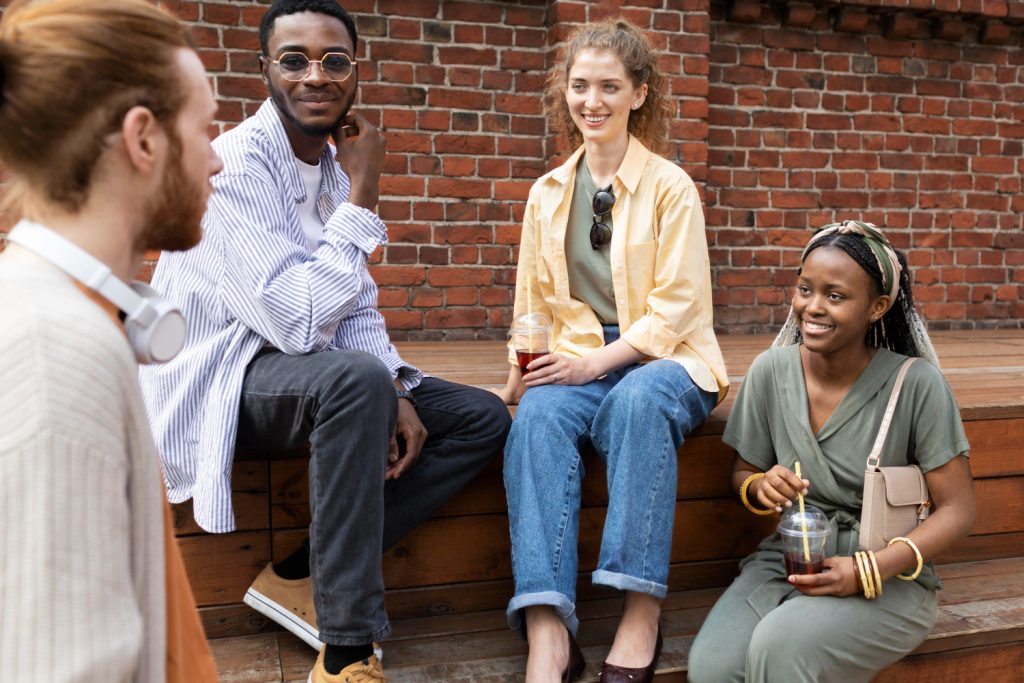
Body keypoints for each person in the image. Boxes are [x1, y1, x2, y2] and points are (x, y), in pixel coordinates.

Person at [137, 0, 510, 680]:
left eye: (334, 60)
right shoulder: (238, 170)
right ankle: (346, 648)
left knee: (478, 416)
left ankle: (301, 570)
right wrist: (365, 191)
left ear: (355, 72)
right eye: (295, 60)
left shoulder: (334, 170)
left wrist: (394, 387)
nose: (316, 76)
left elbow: (356, 307)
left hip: (303, 372)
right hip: (219, 376)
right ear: (265, 71)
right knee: (354, 380)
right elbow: (297, 320)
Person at [494, 19, 728, 683]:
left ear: (639, 93)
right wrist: (517, 385)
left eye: (608, 86)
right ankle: (547, 629)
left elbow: (679, 307)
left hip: (668, 359)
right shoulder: (546, 195)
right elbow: (530, 304)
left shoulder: (670, 187)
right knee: (536, 421)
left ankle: (640, 606)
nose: (591, 100)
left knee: (634, 402)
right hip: (575, 354)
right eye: (579, 86)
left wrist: (598, 361)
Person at [0, 1, 223, 681]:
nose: (216, 160)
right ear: (144, 139)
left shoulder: (68, 314)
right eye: (205, 126)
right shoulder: (56, 352)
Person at [687, 220, 977, 682]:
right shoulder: (769, 372)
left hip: (887, 573)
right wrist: (762, 486)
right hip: (789, 559)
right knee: (712, 669)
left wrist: (871, 568)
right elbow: (744, 473)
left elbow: (959, 510)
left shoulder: (916, 384)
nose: (812, 307)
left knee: (779, 650)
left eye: (835, 296)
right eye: (805, 289)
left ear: (877, 307)